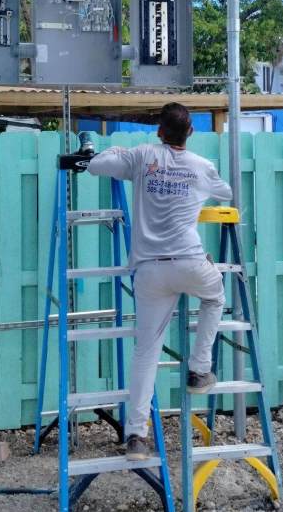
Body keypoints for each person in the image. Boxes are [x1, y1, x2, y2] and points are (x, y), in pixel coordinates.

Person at [86, 103, 232, 460]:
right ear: (190, 132)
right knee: (215, 297)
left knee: (146, 352)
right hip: (190, 262)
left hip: (150, 269)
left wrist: (117, 151)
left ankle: (136, 436)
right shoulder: (201, 167)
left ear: (160, 131)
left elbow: (95, 165)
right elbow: (227, 194)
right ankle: (199, 370)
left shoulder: (142, 157)